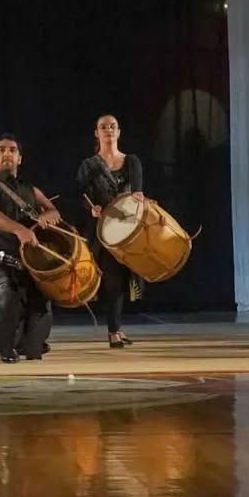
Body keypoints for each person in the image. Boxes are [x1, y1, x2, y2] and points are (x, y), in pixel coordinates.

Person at [0, 134, 59, 363]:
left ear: (20, 158)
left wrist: (48, 216)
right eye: (1, 150)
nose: (7, 154)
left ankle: (28, 342)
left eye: (12, 150)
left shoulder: (31, 190)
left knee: (41, 313)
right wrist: (19, 229)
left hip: (29, 265)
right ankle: (5, 348)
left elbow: (53, 210)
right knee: (7, 299)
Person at [76, 114, 144, 348]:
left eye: (113, 126)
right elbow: (81, 196)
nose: (109, 130)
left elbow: (137, 192)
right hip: (102, 229)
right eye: (104, 127)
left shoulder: (132, 161)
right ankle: (113, 331)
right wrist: (90, 208)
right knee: (112, 278)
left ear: (119, 132)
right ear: (97, 133)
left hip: (129, 229)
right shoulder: (89, 165)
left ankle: (118, 327)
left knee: (123, 280)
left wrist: (138, 198)